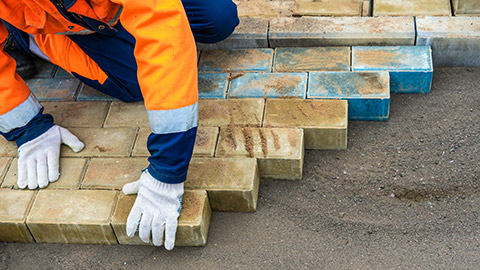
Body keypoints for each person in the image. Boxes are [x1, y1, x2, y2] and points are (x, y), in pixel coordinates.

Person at [0, 0, 239, 250]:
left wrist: (169, 166)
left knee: (219, 19)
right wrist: (28, 127)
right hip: (53, 21)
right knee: (134, 83)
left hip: (102, 13)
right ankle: (25, 35)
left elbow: (161, 26)